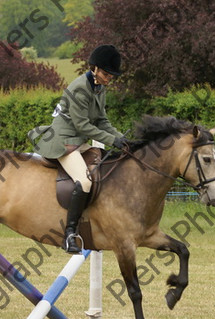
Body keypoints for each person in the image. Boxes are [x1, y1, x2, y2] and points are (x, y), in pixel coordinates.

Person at [28, 44, 130, 253]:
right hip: (63, 140)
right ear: (94, 68)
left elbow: (102, 120)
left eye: (111, 74)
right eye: (105, 73)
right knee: (84, 180)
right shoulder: (79, 88)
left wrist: (122, 139)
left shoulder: (99, 87)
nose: (108, 77)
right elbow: (83, 125)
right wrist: (112, 140)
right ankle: (70, 234)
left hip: (78, 139)